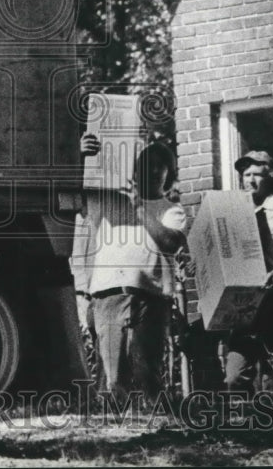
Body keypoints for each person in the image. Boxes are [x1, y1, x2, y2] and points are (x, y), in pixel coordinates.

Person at [78, 138, 187, 401]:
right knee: (113, 376)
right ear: (134, 170)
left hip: (150, 299)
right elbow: (79, 190)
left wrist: (138, 205)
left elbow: (170, 243)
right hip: (109, 295)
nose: (152, 171)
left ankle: (159, 427)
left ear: (168, 174)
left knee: (147, 370)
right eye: (146, 165)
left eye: (160, 167)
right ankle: (114, 430)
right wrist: (83, 157)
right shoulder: (109, 202)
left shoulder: (171, 210)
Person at [223, 149, 273, 394]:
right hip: (245, 303)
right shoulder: (234, 213)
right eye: (246, 174)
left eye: (257, 174)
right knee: (235, 376)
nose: (250, 180)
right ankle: (247, 429)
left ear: (269, 176)